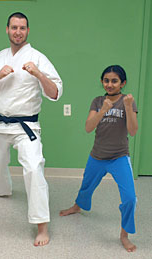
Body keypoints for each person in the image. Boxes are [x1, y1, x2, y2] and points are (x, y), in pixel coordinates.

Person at [0, 12, 62, 246]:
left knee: (34, 168)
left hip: (27, 127)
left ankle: (42, 225)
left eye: (22, 28)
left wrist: (38, 73)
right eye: (14, 27)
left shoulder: (38, 58)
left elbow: (54, 93)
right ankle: (2, 190)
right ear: (7, 29)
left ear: (28, 31)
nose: (18, 31)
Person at [60, 65, 138, 252]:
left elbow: (133, 131)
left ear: (122, 83)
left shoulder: (128, 101)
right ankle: (78, 206)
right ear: (102, 82)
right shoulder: (97, 101)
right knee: (87, 186)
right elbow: (88, 127)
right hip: (97, 155)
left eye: (114, 81)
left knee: (130, 198)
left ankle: (124, 235)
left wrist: (127, 107)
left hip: (119, 157)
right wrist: (103, 110)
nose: (110, 84)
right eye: (106, 80)